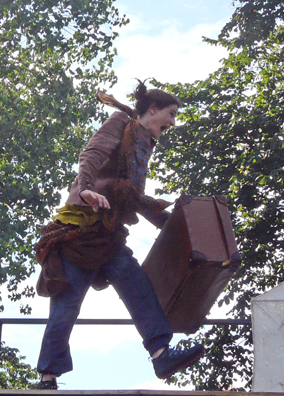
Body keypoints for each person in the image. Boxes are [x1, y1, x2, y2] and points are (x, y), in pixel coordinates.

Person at [33, 81, 204, 390]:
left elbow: (133, 197)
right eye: (172, 114)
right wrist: (85, 188)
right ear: (152, 110)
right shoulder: (121, 123)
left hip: (110, 237)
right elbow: (92, 154)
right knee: (67, 306)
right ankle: (48, 378)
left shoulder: (144, 145)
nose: (173, 122)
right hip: (80, 235)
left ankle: (161, 353)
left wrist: (174, 225)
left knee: (139, 288)